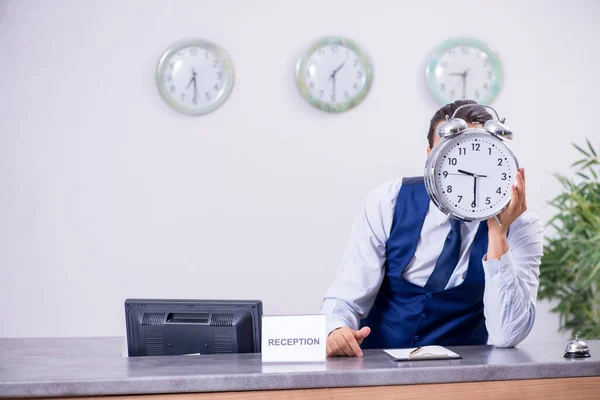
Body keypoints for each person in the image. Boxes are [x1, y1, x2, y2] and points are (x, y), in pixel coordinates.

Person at [321, 100, 543, 357]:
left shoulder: (522, 225)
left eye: (482, 156)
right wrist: (335, 329)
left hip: (463, 375)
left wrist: (498, 233)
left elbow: (508, 334)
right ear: (430, 157)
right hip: (377, 367)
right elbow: (346, 296)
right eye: (450, 154)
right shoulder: (388, 202)